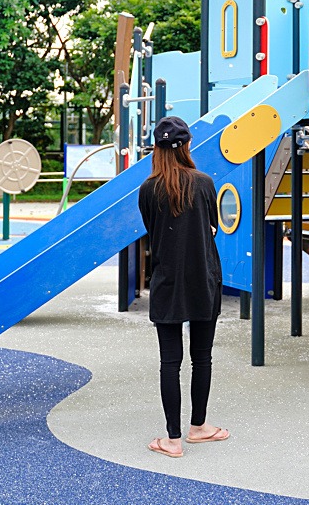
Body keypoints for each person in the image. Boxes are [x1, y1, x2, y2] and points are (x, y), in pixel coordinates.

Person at [137, 116, 230, 458]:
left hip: (167, 282)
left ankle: (172, 440)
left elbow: (154, 231)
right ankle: (199, 427)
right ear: (187, 146)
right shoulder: (205, 183)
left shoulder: (147, 190)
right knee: (201, 358)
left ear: (157, 150)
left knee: (169, 362)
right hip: (203, 279)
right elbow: (212, 227)